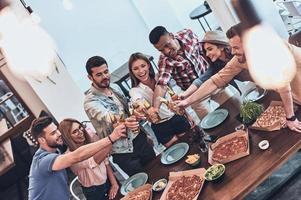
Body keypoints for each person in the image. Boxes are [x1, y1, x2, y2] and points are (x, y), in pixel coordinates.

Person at [176, 23, 301, 133]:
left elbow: (284, 86)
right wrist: (187, 101)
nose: (233, 52)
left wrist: (290, 117)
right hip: (293, 97)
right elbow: (215, 81)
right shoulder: (239, 59)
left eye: (236, 47)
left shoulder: (271, 49)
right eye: (231, 47)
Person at [84, 56, 156, 176]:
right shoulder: (90, 102)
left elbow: (129, 110)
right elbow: (107, 115)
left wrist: (144, 133)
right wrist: (124, 121)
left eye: (106, 72)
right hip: (123, 152)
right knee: (143, 185)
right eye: (99, 75)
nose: (105, 77)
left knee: (157, 170)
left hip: (140, 140)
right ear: (90, 77)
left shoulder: (115, 87)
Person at [28, 116, 126, 200]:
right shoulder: (43, 160)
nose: (59, 134)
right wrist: (111, 138)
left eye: (57, 130)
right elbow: (77, 156)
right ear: (42, 140)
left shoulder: (56, 151)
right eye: (53, 133)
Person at [148, 26, 236, 119]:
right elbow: (162, 84)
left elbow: (203, 51)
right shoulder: (164, 60)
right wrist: (155, 108)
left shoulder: (188, 35)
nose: (167, 51)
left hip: (212, 80)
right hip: (193, 94)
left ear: (171, 36)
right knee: (212, 124)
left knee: (235, 106)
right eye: (161, 50)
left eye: (167, 45)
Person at [128, 52, 191, 147]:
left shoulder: (160, 78)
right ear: (132, 72)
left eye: (143, 66)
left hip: (176, 117)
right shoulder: (134, 90)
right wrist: (141, 106)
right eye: (136, 69)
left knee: (191, 142)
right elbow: (138, 100)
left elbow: (173, 97)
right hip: (160, 126)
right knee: (177, 151)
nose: (141, 71)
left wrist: (187, 115)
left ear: (148, 65)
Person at [59, 118, 119, 200]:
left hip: (108, 180)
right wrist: (112, 138)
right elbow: (95, 161)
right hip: (94, 191)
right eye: (75, 132)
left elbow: (106, 162)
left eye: (80, 127)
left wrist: (114, 183)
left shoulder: (91, 141)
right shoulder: (70, 156)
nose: (80, 132)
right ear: (68, 137)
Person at [180, 30, 251, 99]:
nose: (207, 54)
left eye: (210, 49)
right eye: (206, 51)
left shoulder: (237, 55)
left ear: (221, 47)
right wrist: (184, 95)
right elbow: (200, 80)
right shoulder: (216, 65)